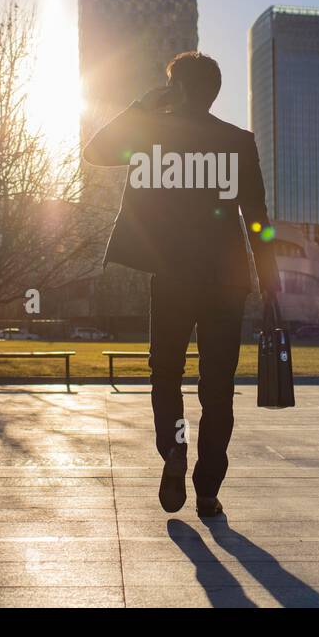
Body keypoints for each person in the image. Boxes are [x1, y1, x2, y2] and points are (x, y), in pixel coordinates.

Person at [83, 51, 280, 518]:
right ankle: (208, 489)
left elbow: (95, 152)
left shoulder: (153, 133)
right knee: (218, 386)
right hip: (226, 280)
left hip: (172, 274)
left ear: (176, 88)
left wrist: (141, 107)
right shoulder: (238, 141)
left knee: (165, 373)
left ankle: (174, 449)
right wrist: (270, 282)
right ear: (214, 91)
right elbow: (258, 221)